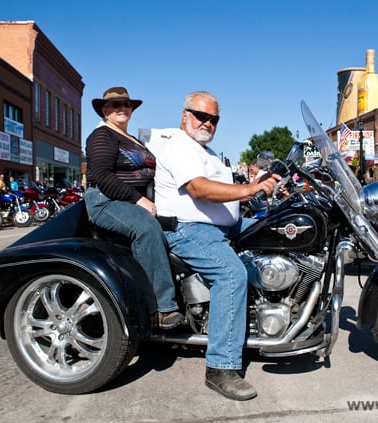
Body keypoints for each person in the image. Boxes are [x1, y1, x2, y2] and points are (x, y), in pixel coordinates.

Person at [151, 91, 279, 401]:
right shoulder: (179, 146)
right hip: (189, 229)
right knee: (231, 275)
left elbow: (230, 188)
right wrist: (250, 188)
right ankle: (221, 367)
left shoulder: (207, 151)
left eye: (213, 118)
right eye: (201, 115)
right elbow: (198, 188)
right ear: (185, 115)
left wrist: (264, 183)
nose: (207, 122)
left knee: (282, 233)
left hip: (224, 226)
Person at [85, 86, 184, 330]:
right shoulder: (102, 136)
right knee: (146, 228)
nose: (122, 109)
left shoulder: (134, 140)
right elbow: (101, 175)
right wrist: (138, 200)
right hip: (106, 200)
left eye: (126, 105)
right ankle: (162, 308)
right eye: (115, 105)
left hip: (135, 200)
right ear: (104, 110)